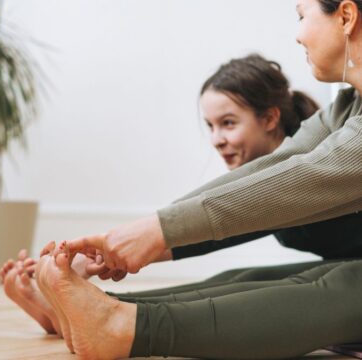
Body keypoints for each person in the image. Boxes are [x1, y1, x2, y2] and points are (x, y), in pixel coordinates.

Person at [23, 0, 362, 358]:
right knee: (257, 281)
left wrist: (157, 232)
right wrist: (128, 240)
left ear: (345, 16)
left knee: (341, 285)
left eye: (301, 15)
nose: (298, 34)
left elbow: (300, 180)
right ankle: (107, 312)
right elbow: (275, 167)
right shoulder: (348, 106)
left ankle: (123, 326)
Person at [0, 53, 321, 337]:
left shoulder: (305, 169)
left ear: (269, 118)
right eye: (210, 126)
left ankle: (86, 315)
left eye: (228, 123)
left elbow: (217, 228)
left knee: (248, 281)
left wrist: (112, 251)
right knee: (239, 277)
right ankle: (74, 313)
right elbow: (209, 229)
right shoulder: (265, 178)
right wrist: (99, 254)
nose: (217, 139)